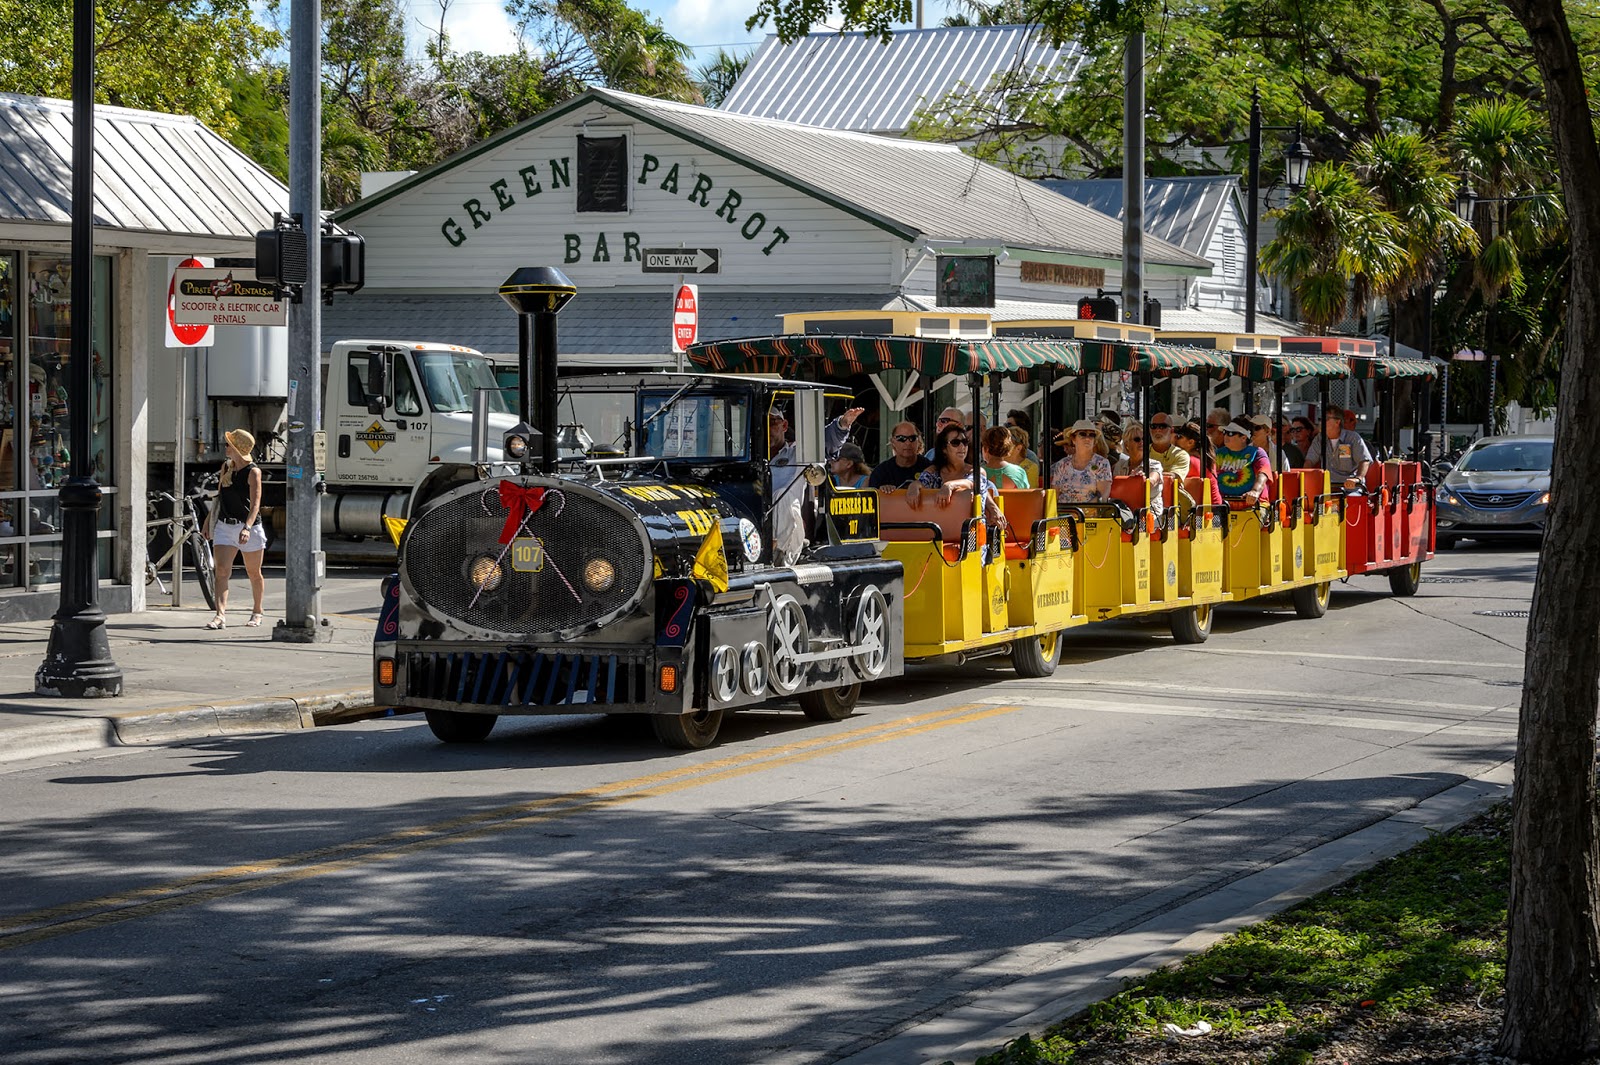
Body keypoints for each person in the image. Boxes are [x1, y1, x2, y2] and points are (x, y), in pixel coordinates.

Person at [204, 428, 267, 629]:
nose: (225, 448)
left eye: (228, 445)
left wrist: (247, 527)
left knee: (253, 572)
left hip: (249, 527)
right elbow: (219, 498)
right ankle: (220, 615)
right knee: (221, 571)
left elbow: (256, 504)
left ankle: (257, 611)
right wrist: (208, 522)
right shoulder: (226, 467)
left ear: (237, 449)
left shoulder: (253, 472)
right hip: (225, 525)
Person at [908, 424, 996, 515]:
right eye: (955, 442)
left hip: (971, 527)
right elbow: (922, 482)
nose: (962, 447)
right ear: (944, 449)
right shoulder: (934, 471)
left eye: (965, 442)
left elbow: (973, 483)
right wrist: (914, 486)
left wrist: (950, 485)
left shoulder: (976, 471)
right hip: (939, 525)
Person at [766, 403, 863, 465]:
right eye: (760, 423)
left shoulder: (798, 454)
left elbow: (824, 442)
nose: (765, 428)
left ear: (784, 425)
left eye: (771, 422)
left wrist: (842, 424)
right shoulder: (751, 458)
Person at [1306, 405, 1374, 493]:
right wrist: (1306, 478)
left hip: (1351, 488)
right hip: (1327, 488)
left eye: (1325, 419)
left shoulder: (1353, 438)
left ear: (1337, 422)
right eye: (1320, 418)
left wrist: (1358, 478)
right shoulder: (1319, 439)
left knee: (1351, 503)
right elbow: (1309, 461)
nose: (1321, 422)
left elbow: (1364, 461)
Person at [1049, 419, 1112, 503]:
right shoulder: (1062, 464)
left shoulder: (1101, 463)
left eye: (1092, 435)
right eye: (1083, 434)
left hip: (1089, 514)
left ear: (1095, 441)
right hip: (1063, 513)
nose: (1087, 438)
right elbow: (1054, 495)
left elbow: (1102, 497)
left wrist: (1081, 512)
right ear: (1073, 439)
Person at [1113, 423, 1164, 521]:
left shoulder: (1154, 465)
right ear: (1127, 445)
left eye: (1144, 439)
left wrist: (1141, 481)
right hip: (1124, 511)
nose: (1141, 442)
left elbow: (1153, 480)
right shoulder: (1120, 465)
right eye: (1137, 439)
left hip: (1150, 513)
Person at [1216, 421, 1274, 506]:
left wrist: (1255, 491)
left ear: (1243, 438)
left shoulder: (1257, 453)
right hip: (1222, 505)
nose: (1225, 436)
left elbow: (1263, 473)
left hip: (1253, 506)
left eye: (1231, 433)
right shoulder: (1218, 453)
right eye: (1225, 432)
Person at [1173, 420, 1223, 506]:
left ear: (1190, 442)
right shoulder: (1204, 458)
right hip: (1213, 508)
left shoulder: (1191, 461)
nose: (1175, 439)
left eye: (1179, 437)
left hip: (1208, 510)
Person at [868, 421, 931, 488]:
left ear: (919, 441)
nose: (908, 443)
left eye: (912, 438)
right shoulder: (881, 472)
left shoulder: (930, 468)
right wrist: (884, 493)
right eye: (901, 438)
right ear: (893, 442)